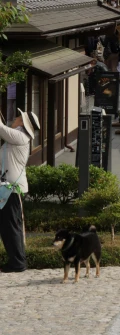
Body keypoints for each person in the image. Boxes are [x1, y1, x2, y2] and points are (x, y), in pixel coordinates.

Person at [0, 109, 40, 273]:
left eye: (18, 117)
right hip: (8, 189)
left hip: (12, 190)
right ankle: (16, 261)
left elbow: (1, 128)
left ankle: (18, 263)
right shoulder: (17, 136)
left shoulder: (20, 137)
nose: (15, 119)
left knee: (11, 226)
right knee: (7, 226)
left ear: (23, 123)